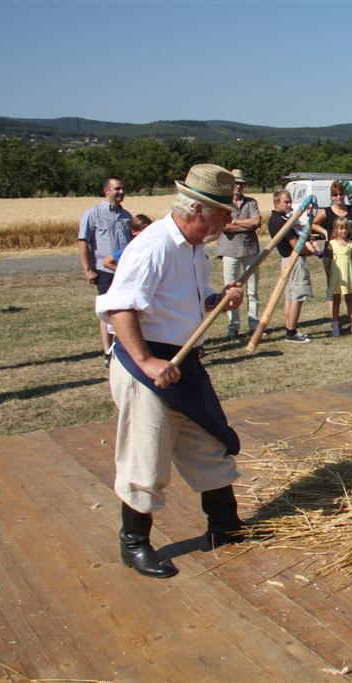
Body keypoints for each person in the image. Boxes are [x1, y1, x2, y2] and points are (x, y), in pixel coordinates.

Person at [95, 164, 247, 579]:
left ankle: (224, 526)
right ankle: (134, 545)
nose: (228, 221)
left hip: (183, 364)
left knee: (207, 444)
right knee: (147, 458)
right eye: (222, 214)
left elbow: (184, 304)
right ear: (197, 209)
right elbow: (119, 306)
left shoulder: (195, 249)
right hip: (149, 366)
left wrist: (218, 300)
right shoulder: (154, 246)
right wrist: (146, 361)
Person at [78, 176, 133, 367]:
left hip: (123, 270)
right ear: (106, 191)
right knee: (107, 311)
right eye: (117, 189)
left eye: (123, 188)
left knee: (126, 308)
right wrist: (88, 269)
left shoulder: (126, 216)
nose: (121, 192)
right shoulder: (92, 214)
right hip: (104, 270)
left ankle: (125, 348)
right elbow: (83, 241)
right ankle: (108, 352)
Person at [268, 190, 321, 343]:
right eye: (286, 202)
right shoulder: (280, 221)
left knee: (290, 296)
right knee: (297, 296)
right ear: (276, 203)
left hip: (288, 260)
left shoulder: (281, 219)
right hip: (294, 260)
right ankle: (291, 332)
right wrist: (311, 251)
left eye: (290, 201)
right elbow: (296, 245)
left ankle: (289, 329)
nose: (290, 204)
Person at [216, 169, 261, 339]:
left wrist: (234, 222)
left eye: (241, 183)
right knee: (230, 290)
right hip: (229, 250)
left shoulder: (251, 202)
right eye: (235, 182)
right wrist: (245, 224)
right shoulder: (224, 203)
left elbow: (256, 222)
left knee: (252, 289)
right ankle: (233, 326)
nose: (238, 186)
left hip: (250, 249)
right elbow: (223, 226)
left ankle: (254, 324)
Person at [312, 181, 352, 302]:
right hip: (331, 254)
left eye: (341, 194)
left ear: (345, 195)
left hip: (351, 253)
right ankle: (335, 318)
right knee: (332, 284)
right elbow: (312, 224)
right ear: (331, 196)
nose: (338, 197)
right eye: (335, 194)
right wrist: (324, 231)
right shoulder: (325, 212)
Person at [328, 217, 352, 337]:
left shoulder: (351, 244)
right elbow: (329, 259)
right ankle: (336, 324)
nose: (344, 231)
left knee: (350, 300)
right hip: (337, 278)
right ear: (336, 229)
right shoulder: (331, 244)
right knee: (336, 301)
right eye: (341, 228)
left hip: (347, 277)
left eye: (346, 228)